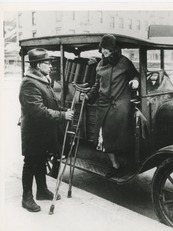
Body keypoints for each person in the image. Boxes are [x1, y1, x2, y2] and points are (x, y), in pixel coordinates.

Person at [19, 48, 74, 212]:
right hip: (33, 132)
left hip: (42, 131)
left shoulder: (42, 80)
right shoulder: (29, 83)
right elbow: (39, 111)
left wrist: (63, 110)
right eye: (47, 63)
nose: (50, 66)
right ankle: (26, 197)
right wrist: (62, 116)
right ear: (37, 65)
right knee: (31, 162)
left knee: (41, 160)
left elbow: (50, 103)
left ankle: (42, 191)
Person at [82, 34, 139, 178]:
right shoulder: (100, 64)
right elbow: (97, 85)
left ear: (114, 49)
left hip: (120, 105)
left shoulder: (124, 62)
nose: (103, 51)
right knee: (104, 137)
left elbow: (136, 75)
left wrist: (135, 81)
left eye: (106, 49)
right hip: (103, 105)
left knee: (122, 136)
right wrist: (88, 96)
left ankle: (127, 163)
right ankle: (115, 165)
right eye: (102, 49)